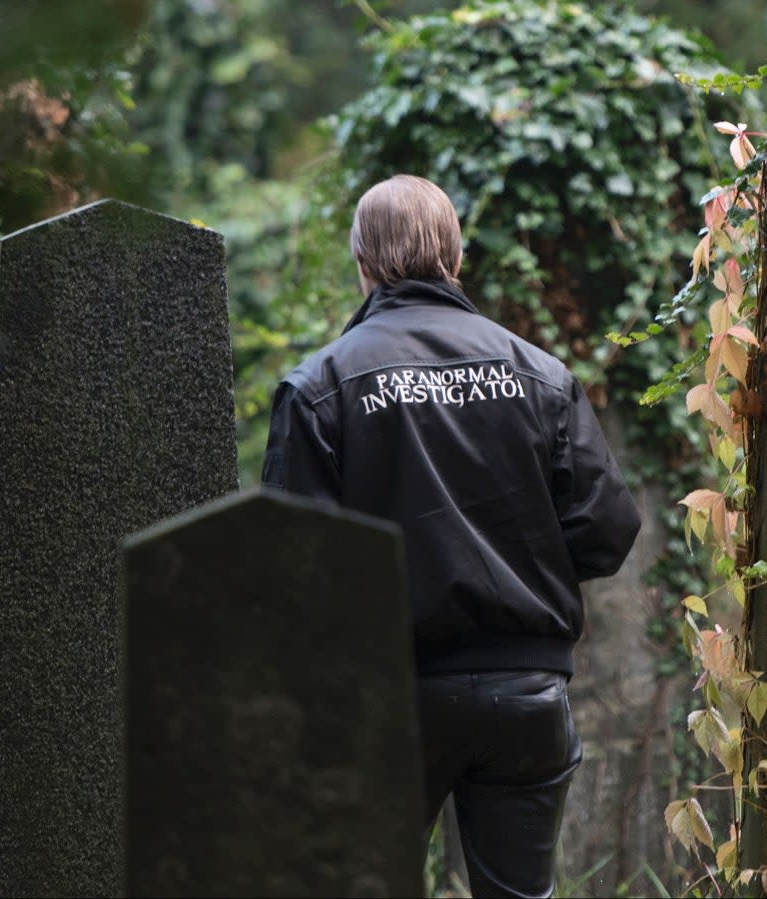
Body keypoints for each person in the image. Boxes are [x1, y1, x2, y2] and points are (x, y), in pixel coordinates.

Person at [261, 174, 641, 898]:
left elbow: (293, 563)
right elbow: (607, 529)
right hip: (526, 693)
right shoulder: (541, 374)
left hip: (387, 700)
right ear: (455, 256)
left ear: (363, 263)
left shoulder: (320, 386)